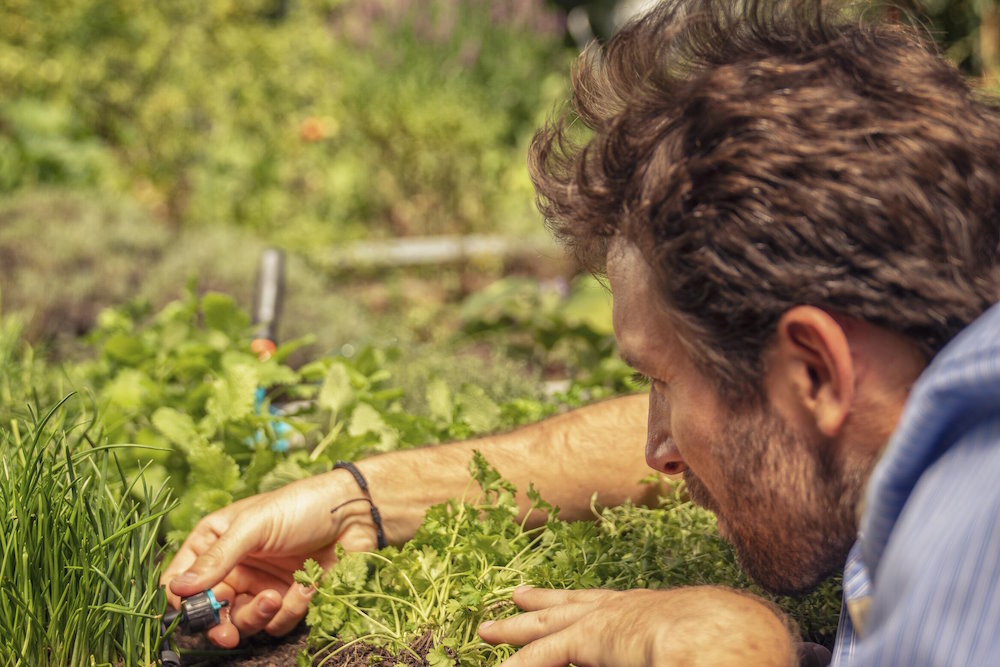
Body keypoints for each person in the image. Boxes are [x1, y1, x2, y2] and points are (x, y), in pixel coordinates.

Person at [163, 0, 1000, 664]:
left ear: (816, 369)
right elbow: (753, 426)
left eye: (663, 381)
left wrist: (737, 648)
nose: (656, 451)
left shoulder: (970, 551)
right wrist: (360, 501)